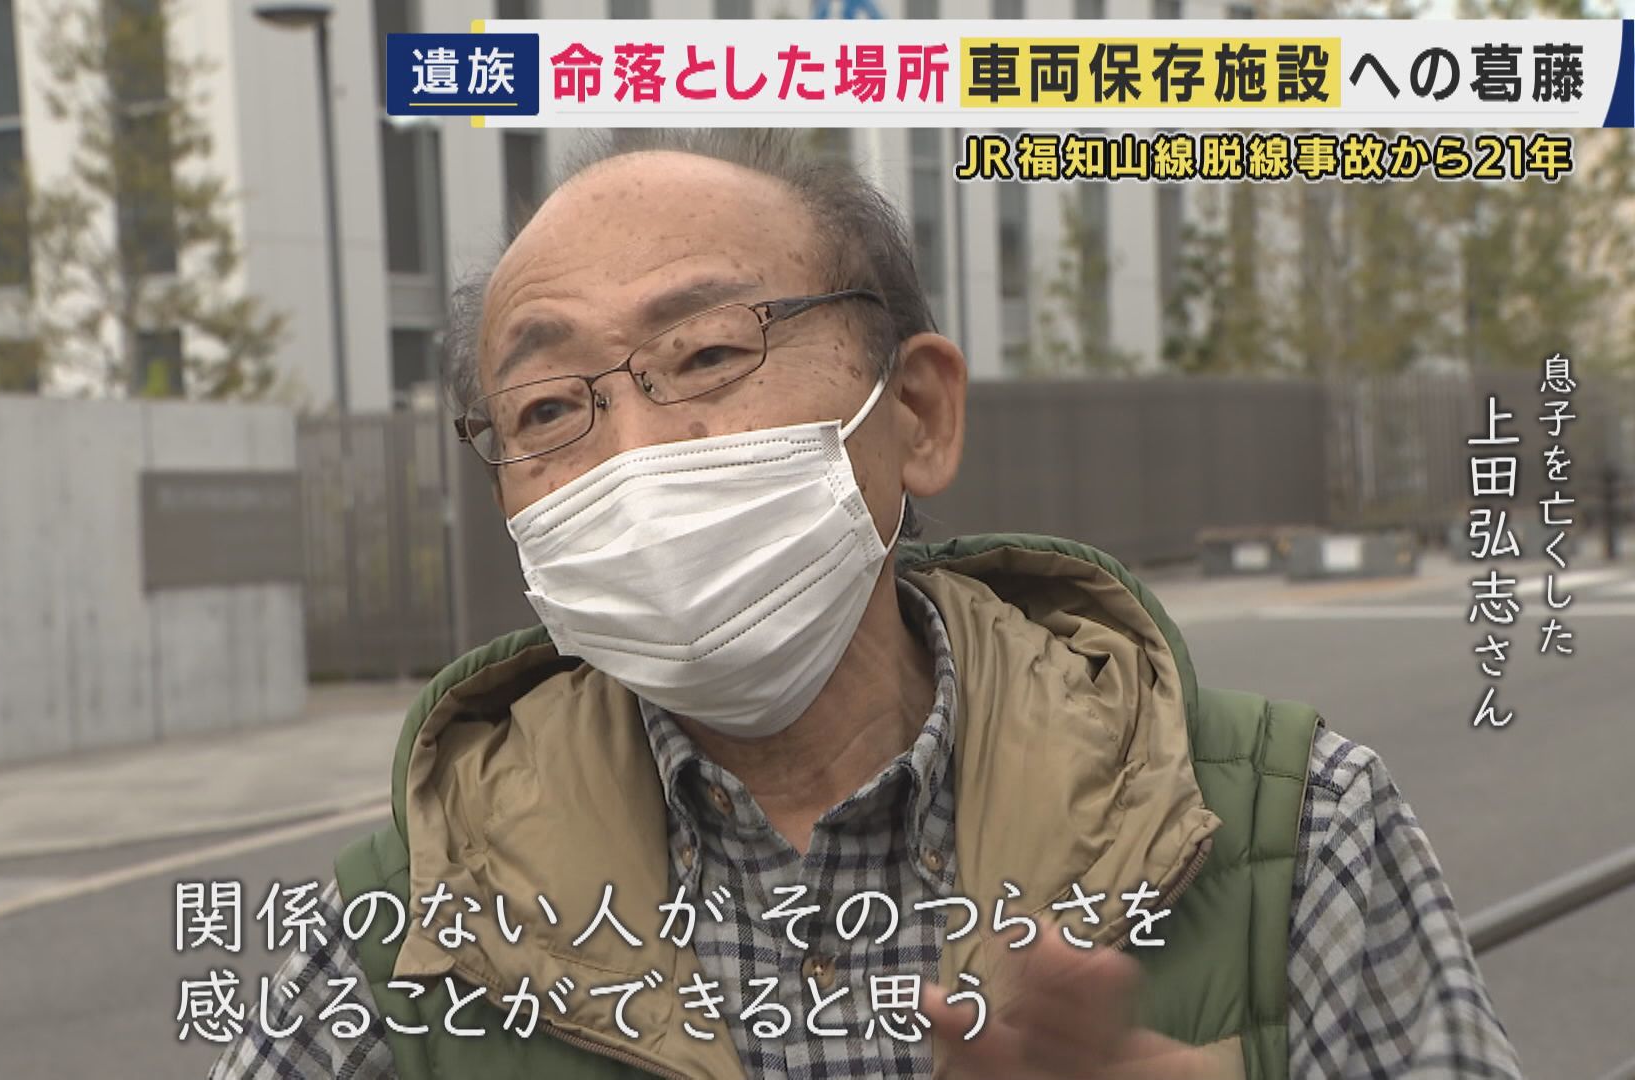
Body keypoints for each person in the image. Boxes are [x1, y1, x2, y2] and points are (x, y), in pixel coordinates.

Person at [210, 130, 1520, 1079]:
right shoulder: (403, 929)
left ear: (918, 414)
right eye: (549, 409)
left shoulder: (1296, 823)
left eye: (707, 352)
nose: (633, 455)